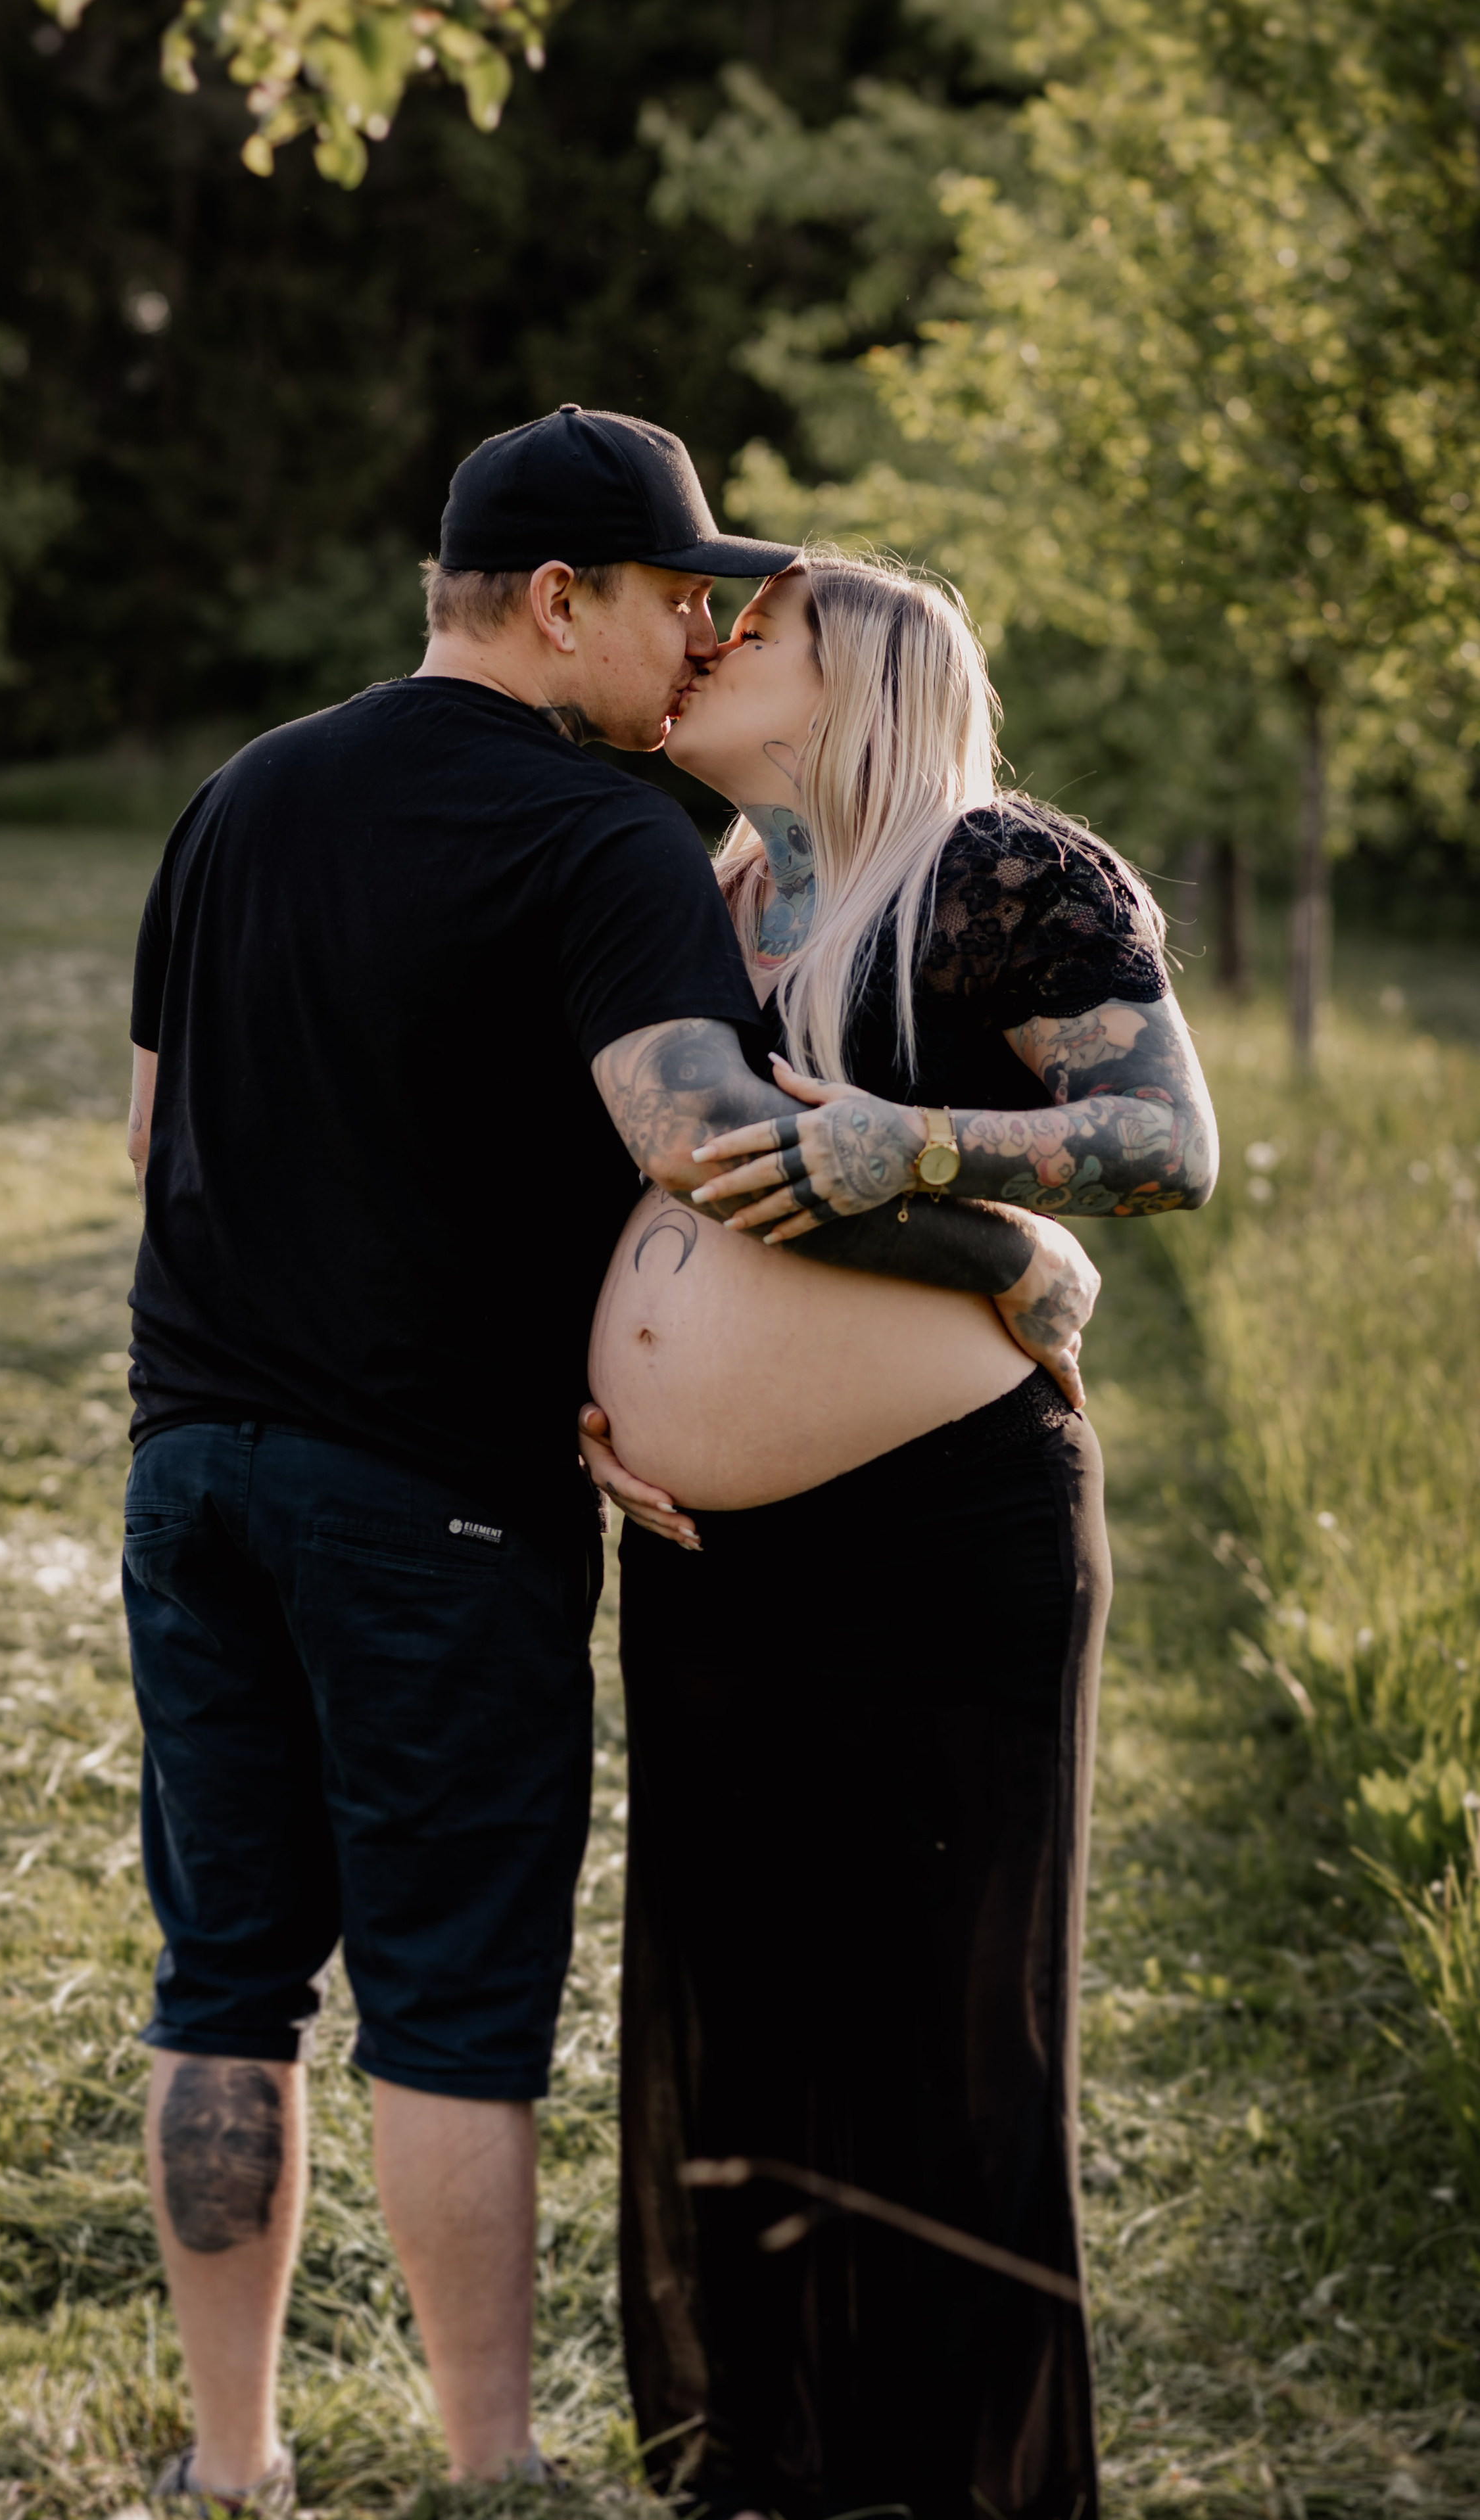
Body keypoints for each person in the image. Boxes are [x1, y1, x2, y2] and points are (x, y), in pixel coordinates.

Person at [119, 411, 1101, 2517]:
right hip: (427, 1498)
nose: (688, 647)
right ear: (558, 600)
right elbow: (697, 1137)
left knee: (226, 1973)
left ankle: (230, 2460)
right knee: (454, 1997)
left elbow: (149, 1132)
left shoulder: (238, 795)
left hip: (187, 1462)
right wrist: (1010, 1247)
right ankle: (489, 2467)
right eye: (671, 600)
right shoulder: (599, 833)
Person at [579, 551, 1218, 2520]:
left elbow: (1166, 1143)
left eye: (745, 627)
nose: (703, 645)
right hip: (713, 1558)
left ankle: (952, 2487)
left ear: (856, 672)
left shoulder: (1005, 873)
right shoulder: (717, 900)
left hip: (949, 1540)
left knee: (944, 2029)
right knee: (744, 1998)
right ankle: (770, 2467)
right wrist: (597, 1384)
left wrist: (928, 1147)